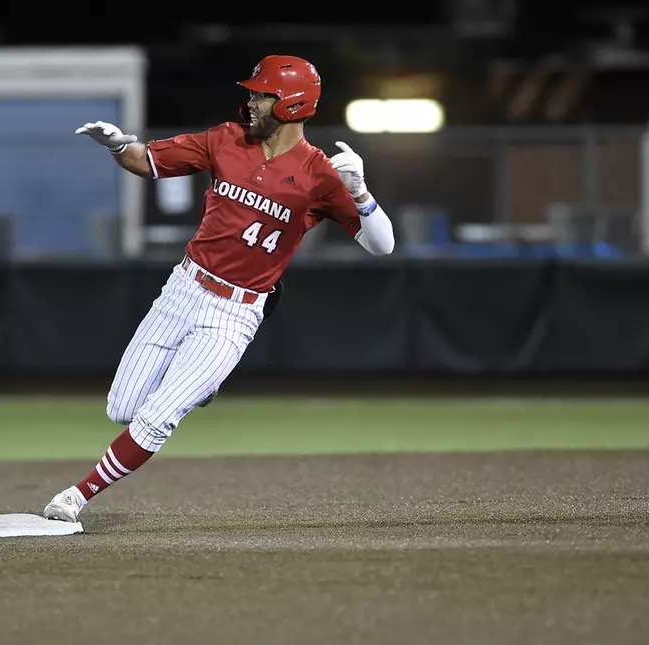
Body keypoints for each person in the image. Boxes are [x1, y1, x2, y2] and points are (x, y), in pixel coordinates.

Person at [43, 55, 395, 523]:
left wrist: (360, 193)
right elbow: (146, 160)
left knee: (159, 416)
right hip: (182, 290)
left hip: (235, 313)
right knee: (123, 407)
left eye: (261, 94)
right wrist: (115, 145)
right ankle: (203, 385)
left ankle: (76, 496)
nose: (250, 101)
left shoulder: (319, 174)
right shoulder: (226, 139)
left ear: (290, 103)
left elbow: (382, 245)